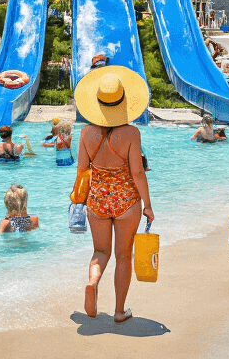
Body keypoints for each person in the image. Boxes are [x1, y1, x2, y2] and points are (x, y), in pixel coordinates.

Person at [74, 68, 153, 323]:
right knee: (122, 254)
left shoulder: (86, 133)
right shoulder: (131, 134)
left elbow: (82, 170)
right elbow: (138, 173)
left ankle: (92, 282)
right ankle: (119, 311)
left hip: (97, 201)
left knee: (100, 251)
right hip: (126, 202)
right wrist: (148, 205)